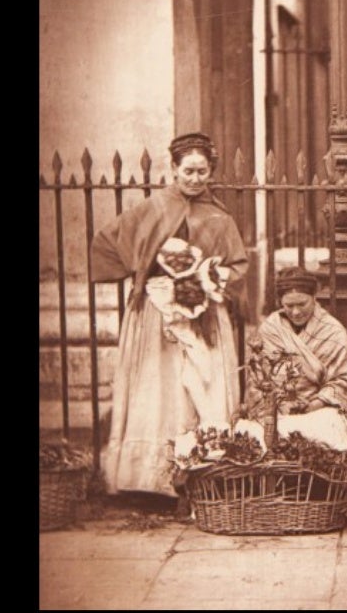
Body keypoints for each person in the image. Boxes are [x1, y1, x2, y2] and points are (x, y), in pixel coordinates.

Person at [90, 132, 249, 499]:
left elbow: (238, 265)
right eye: (188, 171)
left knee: (201, 386)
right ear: (173, 168)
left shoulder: (219, 218)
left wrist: (208, 277)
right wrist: (145, 273)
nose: (195, 179)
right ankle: (149, 478)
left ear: (211, 172)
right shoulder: (153, 208)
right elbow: (107, 242)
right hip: (155, 315)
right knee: (157, 386)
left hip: (203, 314)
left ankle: (202, 472)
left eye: (202, 171)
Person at [246, 266, 347, 450]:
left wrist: (312, 405)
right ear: (280, 302)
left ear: (314, 298)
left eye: (302, 304)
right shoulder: (271, 328)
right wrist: (274, 405)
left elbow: (345, 382)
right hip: (276, 410)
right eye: (289, 305)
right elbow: (257, 379)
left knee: (327, 431)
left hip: (318, 410)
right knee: (255, 435)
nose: (295, 312)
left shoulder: (332, 331)